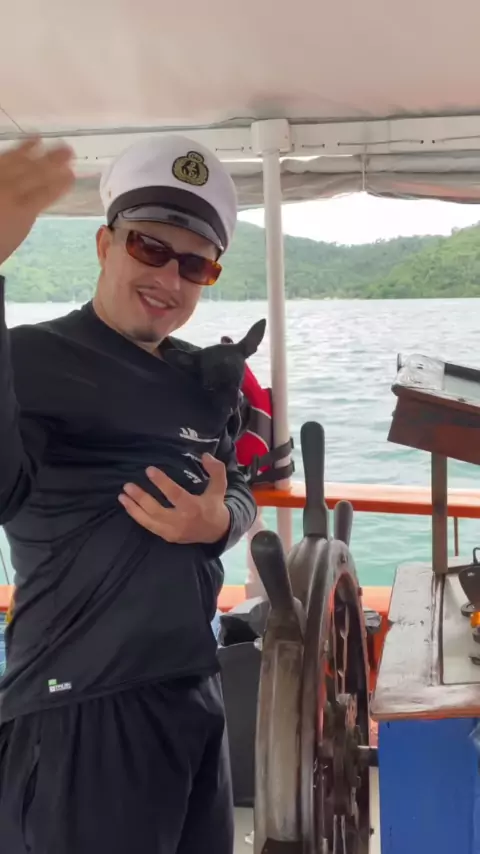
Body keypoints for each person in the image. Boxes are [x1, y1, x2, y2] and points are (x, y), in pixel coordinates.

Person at [0, 135, 257, 853]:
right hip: (81, 708)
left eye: (195, 264)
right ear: (105, 244)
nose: (170, 278)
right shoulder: (29, 359)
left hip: (194, 691)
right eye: (151, 247)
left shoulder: (200, 377)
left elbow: (238, 483)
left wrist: (219, 521)